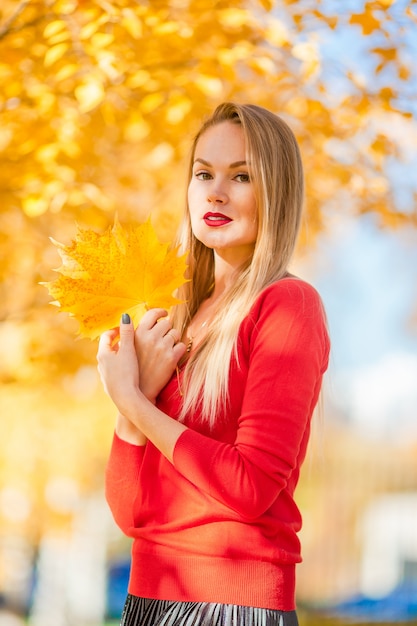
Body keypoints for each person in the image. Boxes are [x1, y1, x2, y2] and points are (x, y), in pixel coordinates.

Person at [97, 102, 330, 626]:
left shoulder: (287, 305)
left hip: (233, 606)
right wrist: (130, 408)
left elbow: (250, 488)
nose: (215, 192)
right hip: (147, 601)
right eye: (203, 173)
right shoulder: (175, 319)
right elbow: (130, 513)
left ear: (276, 191)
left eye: (241, 176)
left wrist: (132, 399)